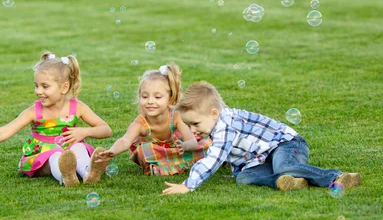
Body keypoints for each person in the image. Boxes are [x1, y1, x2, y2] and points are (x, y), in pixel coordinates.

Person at [162, 81, 360, 194]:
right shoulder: (216, 124)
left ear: (214, 113)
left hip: (286, 145)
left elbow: (213, 158)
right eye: (188, 125)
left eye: (195, 124)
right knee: (244, 178)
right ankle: (289, 181)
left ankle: (337, 176)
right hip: (262, 157)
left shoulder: (226, 125)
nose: (192, 130)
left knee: (283, 164)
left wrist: (188, 185)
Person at [0, 51, 112, 186]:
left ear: (64, 88)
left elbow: (106, 129)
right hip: (43, 154)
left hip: (70, 147)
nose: (38, 91)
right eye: (36, 85)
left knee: (79, 149)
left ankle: (88, 173)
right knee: (56, 157)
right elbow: (5, 131)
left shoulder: (78, 107)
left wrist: (85, 131)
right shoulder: (34, 111)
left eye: (45, 86)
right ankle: (66, 177)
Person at [95, 63, 211, 176]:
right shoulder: (140, 122)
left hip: (177, 148)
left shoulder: (175, 116)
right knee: (143, 151)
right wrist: (113, 151)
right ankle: (167, 166)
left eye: (157, 97)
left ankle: (167, 165)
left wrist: (184, 146)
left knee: (207, 143)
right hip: (156, 152)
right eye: (145, 96)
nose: (150, 101)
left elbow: (192, 142)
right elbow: (125, 140)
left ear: (171, 99)